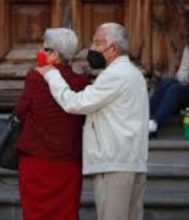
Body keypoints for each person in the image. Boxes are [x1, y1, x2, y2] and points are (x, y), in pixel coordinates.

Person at [37, 23, 148, 220]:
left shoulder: (116, 75)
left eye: (97, 44)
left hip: (114, 164)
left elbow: (75, 103)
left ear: (112, 48)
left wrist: (52, 74)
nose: (92, 49)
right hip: (130, 161)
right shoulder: (134, 73)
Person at [14, 28, 90, 220]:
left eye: (45, 48)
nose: (40, 51)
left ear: (55, 54)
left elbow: (20, 111)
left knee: (35, 213)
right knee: (65, 213)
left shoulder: (35, 77)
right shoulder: (81, 81)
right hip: (68, 161)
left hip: (37, 159)